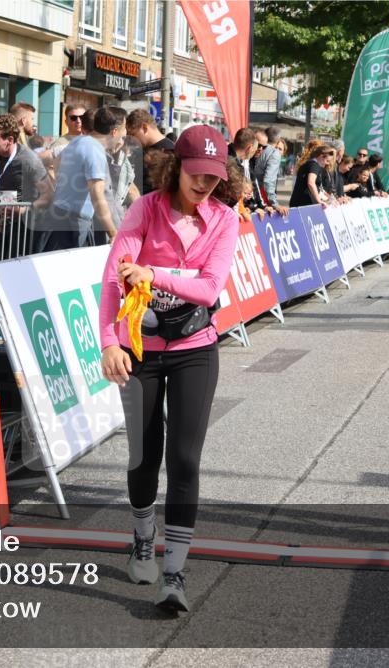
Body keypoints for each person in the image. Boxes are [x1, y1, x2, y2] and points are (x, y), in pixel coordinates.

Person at [98, 124, 242, 613]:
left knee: (184, 459)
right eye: (196, 174)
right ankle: (142, 537)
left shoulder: (224, 219)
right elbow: (113, 280)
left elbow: (209, 286)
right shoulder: (145, 210)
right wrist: (109, 343)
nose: (204, 184)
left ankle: (175, 573)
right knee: (143, 457)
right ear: (176, 166)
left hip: (195, 347)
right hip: (140, 349)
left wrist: (154, 273)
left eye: (213, 175)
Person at [38, 107, 119, 252]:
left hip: (58, 217)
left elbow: (56, 163)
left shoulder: (77, 141)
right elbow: (97, 195)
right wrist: (113, 233)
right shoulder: (95, 150)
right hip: (73, 224)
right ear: (114, 132)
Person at [126, 108, 175, 195]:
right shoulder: (140, 149)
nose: (131, 140)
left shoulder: (170, 152)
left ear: (144, 128)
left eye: (133, 135)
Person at [253, 128, 283, 207]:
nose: (260, 149)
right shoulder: (274, 153)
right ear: (278, 141)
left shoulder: (255, 148)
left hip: (250, 196)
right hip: (262, 196)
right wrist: (274, 203)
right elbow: (268, 181)